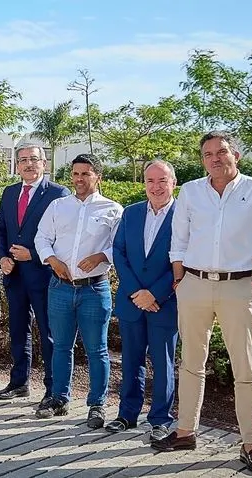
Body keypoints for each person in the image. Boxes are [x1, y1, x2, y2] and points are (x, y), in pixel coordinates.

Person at [153, 131, 252, 475]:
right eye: (207, 154)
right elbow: (178, 241)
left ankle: (250, 443)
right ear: (202, 160)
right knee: (191, 363)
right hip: (193, 285)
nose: (215, 158)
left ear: (236, 155)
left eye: (221, 152)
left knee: (246, 369)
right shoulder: (192, 192)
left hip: (238, 286)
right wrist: (180, 279)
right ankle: (185, 432)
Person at [33, 153, 123, 428]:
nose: (79, 179)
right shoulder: (58, 206)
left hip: (94, 290)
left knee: (97, 350)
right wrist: (52, 259)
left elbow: (120, 246)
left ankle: (97, 405)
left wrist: (101, 257)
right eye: (75, 174)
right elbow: (42, 237)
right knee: (61, 346)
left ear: (98, 176)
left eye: (85, 173)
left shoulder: (113, 209)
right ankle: (59, 398)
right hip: (60, 288)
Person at [106, 160, 178, 442]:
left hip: (165, 302)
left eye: (162, 180)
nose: (156, 187)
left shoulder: (185, 214)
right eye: (150, 181)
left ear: (173, 182)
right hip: (132, 301)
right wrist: (137, 292)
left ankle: (160, 419)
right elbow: (119, 252)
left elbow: (183, 259)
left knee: (163, 363)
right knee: (131, 361)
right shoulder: (132, 213)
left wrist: (156, 294)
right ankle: (127, 414)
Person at [0, 144, 70, 402]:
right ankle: (19, 383)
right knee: (18, 330)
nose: (28, 164)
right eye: (23, 160)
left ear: (44, 163)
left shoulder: (58, 194)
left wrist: (34, 255)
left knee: (49, 333)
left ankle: (52, 388)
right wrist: (2, 257)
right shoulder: (9, 192)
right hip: (14, 275)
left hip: (44, 276)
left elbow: (63, 237)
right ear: (17, 165)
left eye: (34, 159)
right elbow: (1, 230)